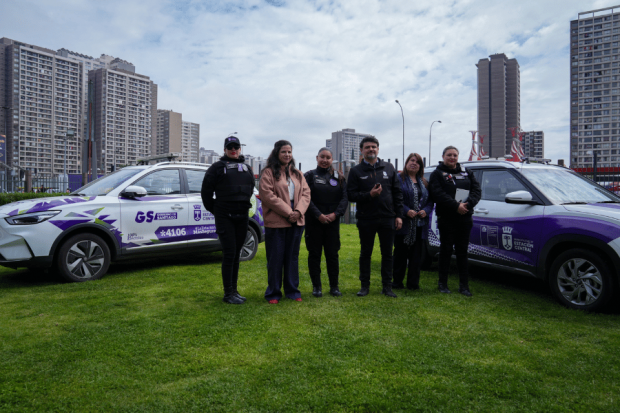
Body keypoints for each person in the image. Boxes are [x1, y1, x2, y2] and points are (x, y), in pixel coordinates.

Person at [201, 136, 255, 304]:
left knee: (236, 254)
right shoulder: (216, 168)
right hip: (225, 217)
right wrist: (218, 211)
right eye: (230, 147)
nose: (233, 149)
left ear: (240, 149)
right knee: (230, 253)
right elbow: (206, 194)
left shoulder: (246, 168)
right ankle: (228, 294)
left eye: (236, 147)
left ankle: (234, 290)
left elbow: (250, 189)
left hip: (242, 216)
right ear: (224, 149)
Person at [347, 136, 403, 298]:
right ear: (362, 150)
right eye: (367, 147)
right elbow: (351, 195)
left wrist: (399, 215)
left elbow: (397, 193)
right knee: (366, 253)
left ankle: (387, 286)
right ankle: (364, 286)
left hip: (388, 218)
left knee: (387, 254)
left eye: (374, 147)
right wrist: (369, 195)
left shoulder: (389, 168)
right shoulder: (356, 171)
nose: (371, 149)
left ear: (378, 149)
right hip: (366, 219)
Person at [259, 140, 311, 304]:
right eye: (284, 152)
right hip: (277, 221)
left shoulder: (297, 173)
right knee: (275, 258)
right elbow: (268, 196)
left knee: (292, 257)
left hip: (296, 221)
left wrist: (298, 212)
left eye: (289, 152)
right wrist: (289, 212)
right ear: (276, 153)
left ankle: (292, 291)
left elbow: (306, 194)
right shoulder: (268, 173)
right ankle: (273, 293)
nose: (287, 155)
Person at [429, 145, 481, 296]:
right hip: (447, 218)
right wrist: (455, 206)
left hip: (464, 218)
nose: (452, 158)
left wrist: (467, 204)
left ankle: (464, 286)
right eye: (449, 155)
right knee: (445, 251)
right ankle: (442, 284)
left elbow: (477, 191)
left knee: (462, 252)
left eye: (455, 155)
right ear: (443, 156)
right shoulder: (437, 174)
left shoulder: (467, 172)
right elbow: (437, 194)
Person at [304, 148, 348, 298]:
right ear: (317, 158)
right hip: (314, 222)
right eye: (322, 157)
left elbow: (344, 198)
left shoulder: (339, 177)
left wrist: (336, 215)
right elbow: (305, 198)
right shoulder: (309, 176)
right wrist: (318, 215)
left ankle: (334, 286)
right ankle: (317, 287)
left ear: (332, 160)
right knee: (314, 254)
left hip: (332, 223)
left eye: (328, 157)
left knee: (332, 255)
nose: (325, 160)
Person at [392, 153, 433, 291]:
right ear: (406, 162)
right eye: (412, 160)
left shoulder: (424, 182)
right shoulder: (398, 179)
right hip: (402, 223)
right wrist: (406, 211)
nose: (414, 163)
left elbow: (430, 201)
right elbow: (394, 199)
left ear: (420, 166)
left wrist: (425, 211)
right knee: (400, 255)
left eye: (417, 162)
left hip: (419, 224)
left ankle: (413, 284)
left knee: (416, 256)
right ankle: (397, 283)